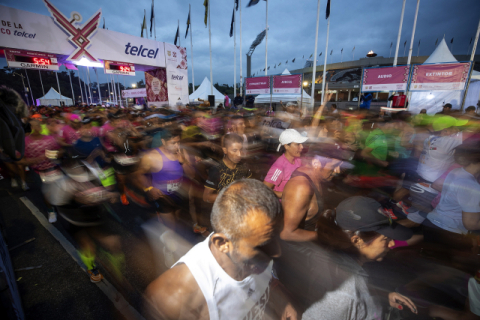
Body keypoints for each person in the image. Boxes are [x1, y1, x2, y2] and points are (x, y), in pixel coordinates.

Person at [145, 179, 297, 320]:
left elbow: (267, 279)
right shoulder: (174, 300)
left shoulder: (254, 250)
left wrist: (282, 299)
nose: (277, 252)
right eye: (263, 244)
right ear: (222, 243)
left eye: (277, 236)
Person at [294, 196, 416, 319]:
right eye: (385, 239)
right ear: (357, 241)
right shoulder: (339, 295)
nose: (392, 244)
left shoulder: (346, 262)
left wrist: (381, 296)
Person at [280, 143, 350, 242]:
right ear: (316, 163)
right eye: (334, 166)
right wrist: (329, 236)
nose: (337, 171)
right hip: (301, 250)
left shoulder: (319, 177)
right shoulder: (301, 187)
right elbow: (286, 234)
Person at [135, 127, 194, 230]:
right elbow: (139, 174)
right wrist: (149, 188)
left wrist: (183, 161)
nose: (177, 146)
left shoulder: (181, 152)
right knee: (171, 227)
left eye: (178, 142)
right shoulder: (151, 157)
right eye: (173, 143)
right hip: (163, 197)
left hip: (178, 194)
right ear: (163, 141)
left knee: (177, 219)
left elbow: (192, 175)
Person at [423, 140, 480, 248]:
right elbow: (470, 224)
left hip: (432, 223)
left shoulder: (458, 171)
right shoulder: (472, 186)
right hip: (449, 233)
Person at [203, 133, 252, 204]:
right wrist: (230, 196)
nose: (239, 154)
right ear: (225, 150)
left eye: (241, 150)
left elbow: (250, 186)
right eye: (234, 150)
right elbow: (206, 197)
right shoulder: (216, 170)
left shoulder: (244, 166)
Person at [264, 129, 307, 198]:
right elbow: (265, 190)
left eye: (301, 144)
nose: (302, 147)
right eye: (298, 144)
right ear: (286, 146)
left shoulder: (298, 160)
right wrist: (286, 195)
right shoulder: (279, 166)